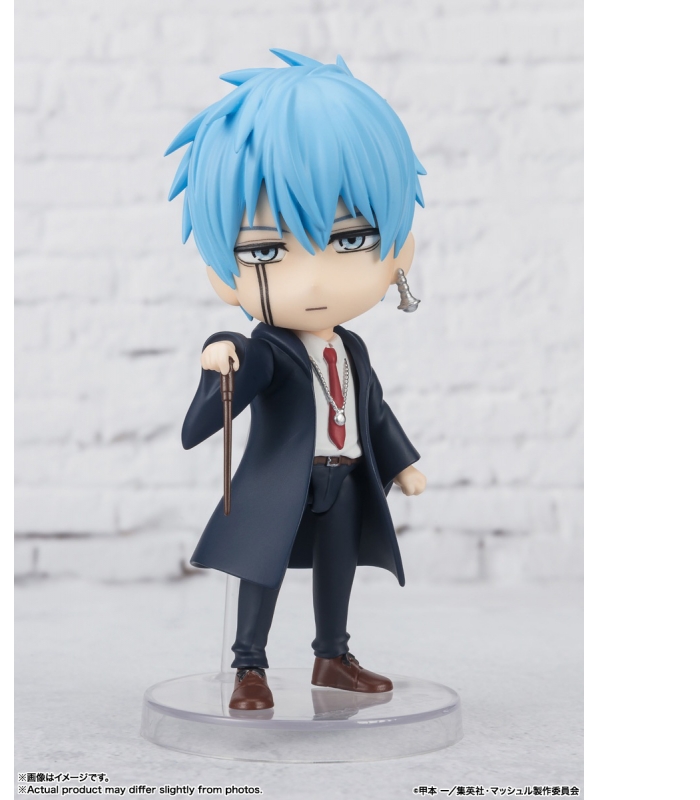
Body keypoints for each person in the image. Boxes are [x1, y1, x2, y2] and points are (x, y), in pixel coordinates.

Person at [166, 49, 427, 711]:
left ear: (398, 251)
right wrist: (220, 350)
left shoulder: (352, 347)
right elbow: (246, 361)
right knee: (263, 568)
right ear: (224, 275)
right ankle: (248, 666)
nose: (313, 281)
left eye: (349, 240)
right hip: (284, 481)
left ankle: (332, 656)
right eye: (266, 250)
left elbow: (374, 412)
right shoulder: (269, 349)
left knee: (339, 568)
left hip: (346, 478)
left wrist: (401, 464)